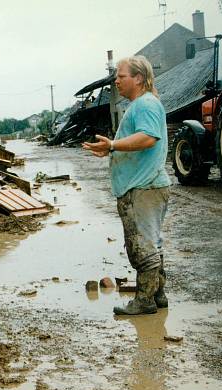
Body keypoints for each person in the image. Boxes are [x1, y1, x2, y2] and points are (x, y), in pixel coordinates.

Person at [82, 55, 171, 316]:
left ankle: (144, 301)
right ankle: (157, 294)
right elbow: (141, 141)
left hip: (143, 187)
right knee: (151, 242)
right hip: (147, 185)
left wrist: (112, 145)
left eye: (121, 76)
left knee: (141, 245)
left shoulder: (145, 105)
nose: (116, 81)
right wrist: (112, 150)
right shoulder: (142, 104)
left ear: (139, 78)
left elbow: (148, 138)